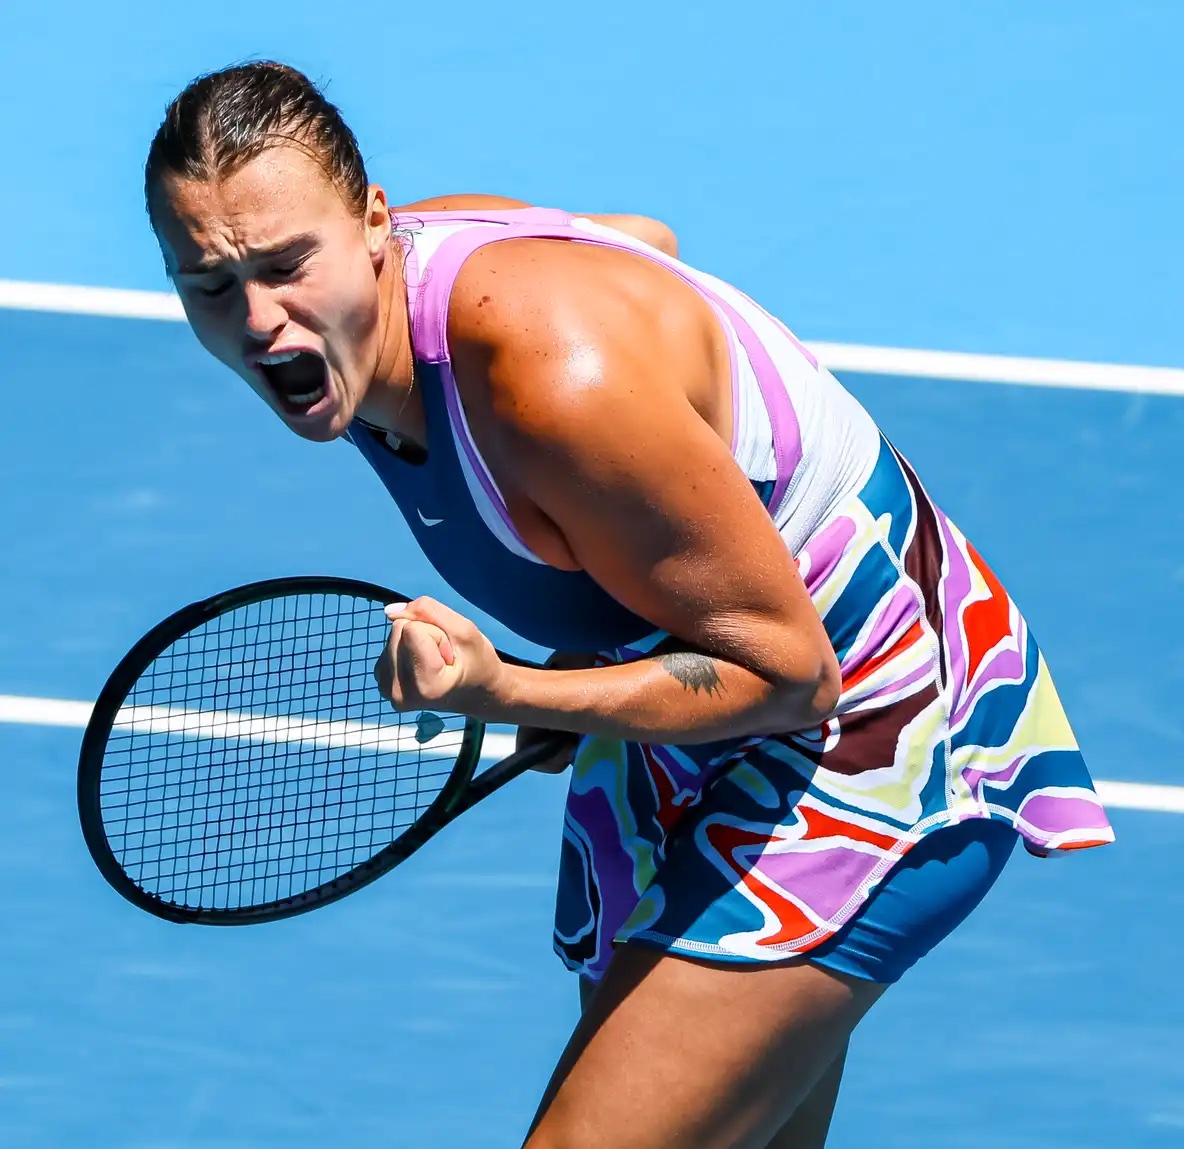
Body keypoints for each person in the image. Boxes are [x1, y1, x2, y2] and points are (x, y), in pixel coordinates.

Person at [144, 60, 1114, 1149]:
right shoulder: (369, 315)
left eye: (286, 265)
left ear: (374, 221)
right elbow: (641, 240)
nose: (259, 319)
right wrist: (608, 620)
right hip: (705, 672)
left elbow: (791, 675)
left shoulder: (549, 382)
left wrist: (508, 688)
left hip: (867, 720)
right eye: (209, 285)